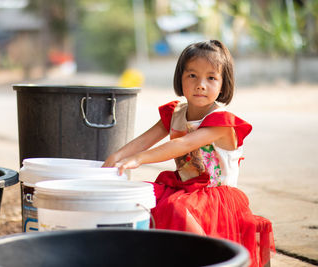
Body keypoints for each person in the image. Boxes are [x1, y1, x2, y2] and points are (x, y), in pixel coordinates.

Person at [103, 40, 275, 267]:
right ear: (180, 78)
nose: (200, 84)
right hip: (183, 188)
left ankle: (207, 257)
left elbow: (183, 145)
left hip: (215, 196)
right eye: (192, 75)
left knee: (176, 209)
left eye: (211, 78)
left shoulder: (221, 122)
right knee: (140, 197)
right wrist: (116, 157)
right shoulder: (175, 113)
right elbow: (144, 140)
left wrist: (139, 159)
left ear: (223, 85)